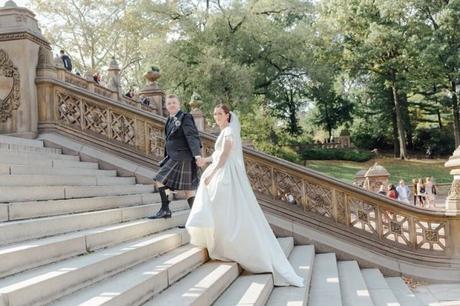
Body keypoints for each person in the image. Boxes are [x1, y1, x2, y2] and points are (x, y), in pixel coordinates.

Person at [186, 104, 304, 287]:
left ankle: (231, 245)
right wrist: (205, 160)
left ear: (227, 116)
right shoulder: (225, 131)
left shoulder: (229, 132)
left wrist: (212, 172)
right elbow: (218, 154)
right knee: (221, 208)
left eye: (220, 114)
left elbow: (224, 156)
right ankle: (220, 241)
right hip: (224, 170)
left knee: (224, 207)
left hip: (226, 174)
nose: (216, 117)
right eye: (215, 114)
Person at [149, 94, 202, 219]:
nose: (171, 105)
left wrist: (197, 155)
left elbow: (192, 136)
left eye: (174, 102)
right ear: (166, 106)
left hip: (182, 156)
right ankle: (196, 219)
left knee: (160, 179)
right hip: (174, 156)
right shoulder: (169, 120)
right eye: (169, 103)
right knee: (188, 190)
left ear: (179, 104)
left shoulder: (185, 117)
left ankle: (165, 209)